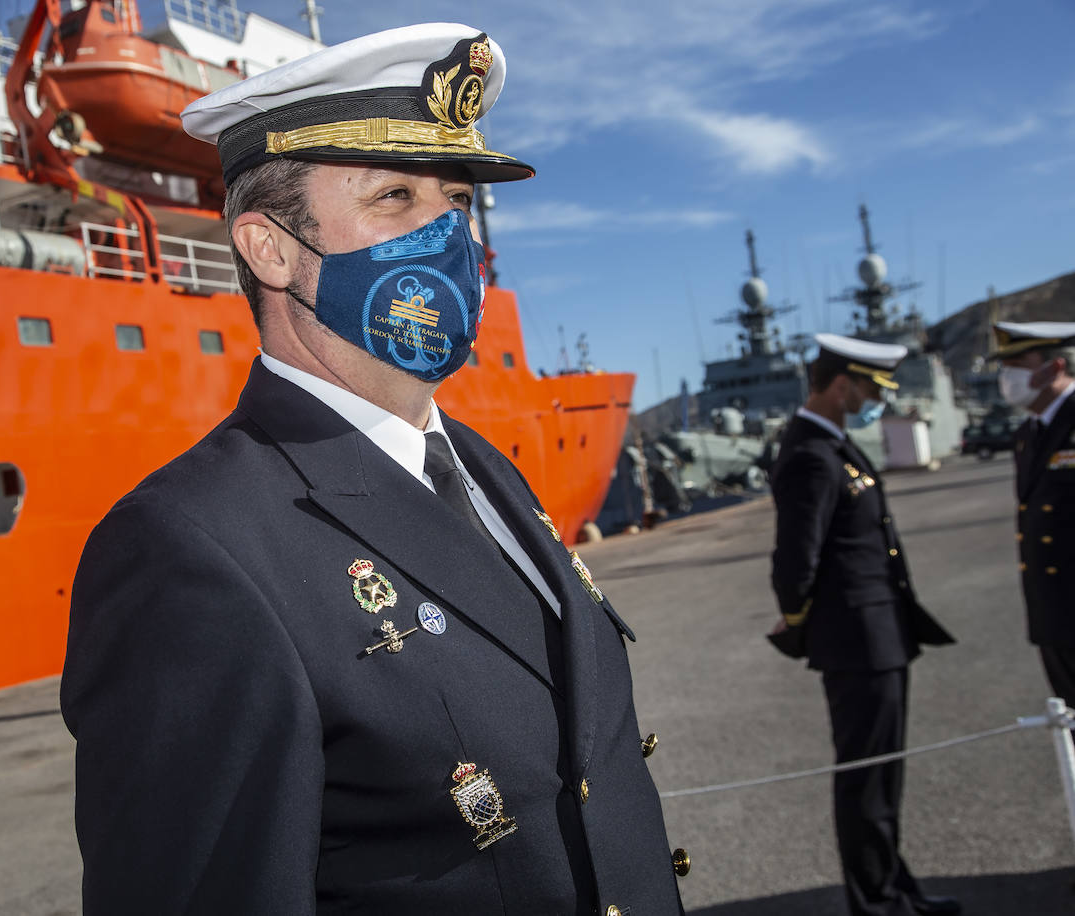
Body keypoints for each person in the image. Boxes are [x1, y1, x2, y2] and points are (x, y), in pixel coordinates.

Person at [60, 23, 687, 915]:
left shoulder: (474, 464)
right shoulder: (188, 549)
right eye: (394, 194)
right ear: (270, 248)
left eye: (457, 201)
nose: (446, 237)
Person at [768, 333, 958, 916]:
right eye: (870, 386)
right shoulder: (808, 454)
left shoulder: (832, 445)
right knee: (866, 784)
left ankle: (895, 889)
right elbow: (794, 566)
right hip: (856, 643)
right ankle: (876, 905)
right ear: (841, 382)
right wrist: (804, 625)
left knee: (883, 782)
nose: (875, 399)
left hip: (879, 637)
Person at [991, 321, 1075, 704]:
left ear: (1055, 367)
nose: (1006, 376)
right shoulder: (1027, 434)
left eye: (1017, 364)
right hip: (1054, 615)